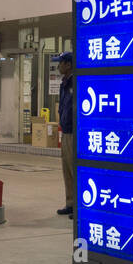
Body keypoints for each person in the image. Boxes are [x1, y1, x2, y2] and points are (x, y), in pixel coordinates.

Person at [56, 52, 75, 215]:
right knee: (66, 169)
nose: (58, 66)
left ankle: (78, 207)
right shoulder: (64, 83)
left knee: (74, 170)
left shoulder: (75, 82)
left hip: (74, 132)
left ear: (68, 64)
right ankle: (70, 203)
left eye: (60, 63)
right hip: (66, 131)